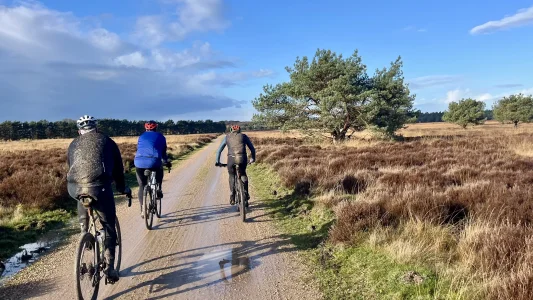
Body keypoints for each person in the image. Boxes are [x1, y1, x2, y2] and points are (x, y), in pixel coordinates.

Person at [67, 115, 131, 283]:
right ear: (96, 128)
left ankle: (84, 231)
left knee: (82, 196)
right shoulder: (107, 141)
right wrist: (121, 188)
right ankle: (110, 269)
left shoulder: (73, 143)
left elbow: (71, 166)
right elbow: (118, 169)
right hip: (100, 188)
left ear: (79, 131)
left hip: (75, 188)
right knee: (109, 225)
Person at [134, 120, 171, 218]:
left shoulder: (141, 136)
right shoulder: (161, 137)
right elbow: (163, 153)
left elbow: (139, 149)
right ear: (156, 128)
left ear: (145, 128)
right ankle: (158, 188)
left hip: (138, 162)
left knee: (142, 185)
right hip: (154, 162)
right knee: (159, 169)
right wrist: (167, 162)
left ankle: (143, 209)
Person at [215, 125, 256, 206]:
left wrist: (217, 161)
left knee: (231, 175)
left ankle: (232, 196)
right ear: (239, 130)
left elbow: (219, 151)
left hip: (231, 159)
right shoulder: (244, 136)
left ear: (231, 130)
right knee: (243, 173)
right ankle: (246, 194)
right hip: (242, 158)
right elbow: (252, 149)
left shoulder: (227, 137)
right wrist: (253, 158)